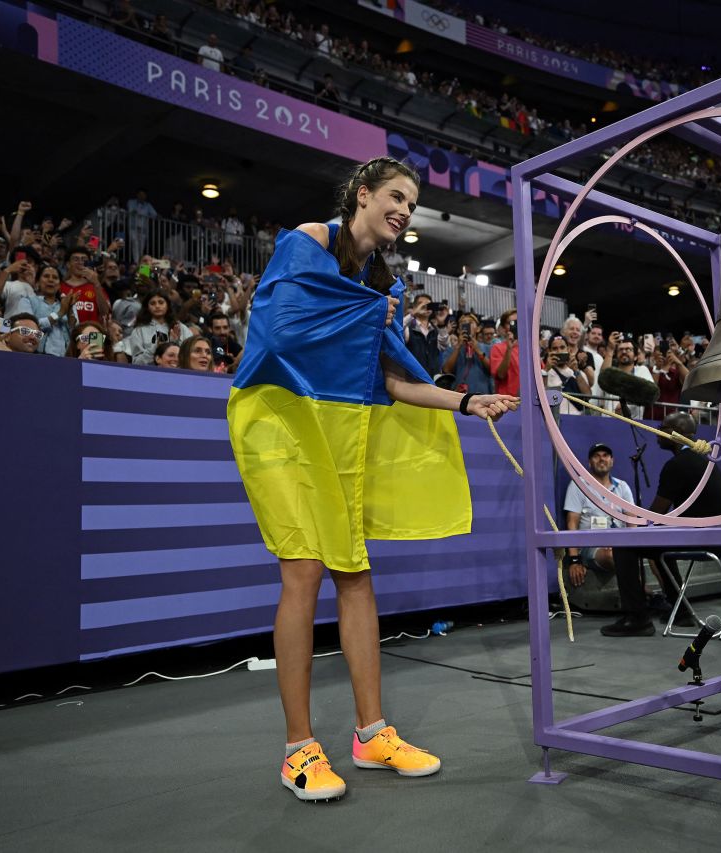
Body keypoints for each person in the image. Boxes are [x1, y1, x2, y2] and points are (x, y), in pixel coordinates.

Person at [225, 157, 519, 803]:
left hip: (337, 424)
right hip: (276, 417)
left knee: (354, 571)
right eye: (396, 196)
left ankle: (371, 733)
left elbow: (391, 376)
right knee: (302, 570)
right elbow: (279, 332)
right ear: (361, 195)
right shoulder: (309, 241)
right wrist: (365, 314)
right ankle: (298, 748)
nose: (404, 211)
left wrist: (469, 403)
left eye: (411, 204)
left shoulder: (377, 282)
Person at [602, 412, 721, 636]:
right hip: (715, 538)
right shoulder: (704, 461)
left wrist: (631, 531)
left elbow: (656, 514)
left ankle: (637, 618)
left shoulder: (677, 465)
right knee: (657, 543)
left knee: (624, 546)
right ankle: (680, 611)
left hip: (700, 540)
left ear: (674, 433)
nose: (657, 431)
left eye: (662, 427)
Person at [562, 443, 634, 591]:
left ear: (612, 461)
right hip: (592, 547)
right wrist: (574, 560)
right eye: (596, 456)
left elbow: (632, 521)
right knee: (611, 555)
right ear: (589, 462)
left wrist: (632, 545)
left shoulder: (622, 487)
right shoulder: (578, 485)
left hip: (620, 544)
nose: (602, 459)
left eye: (605, 455)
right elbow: (572, 523)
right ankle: (641, 590)